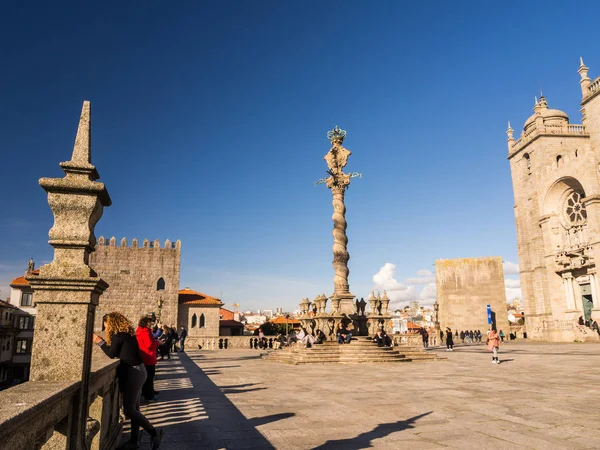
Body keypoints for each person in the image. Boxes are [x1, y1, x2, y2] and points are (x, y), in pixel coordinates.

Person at [93, 312, 162, 450]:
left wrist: (99, 341)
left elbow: (111, 353)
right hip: (139, 370)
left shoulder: (119, 335)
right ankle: (134, 440)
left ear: (112, 323)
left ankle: (154, 433)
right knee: (135, 408)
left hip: (133, 372)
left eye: (106, 325)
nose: (106, 328)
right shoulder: (126, 334)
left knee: (129, 410)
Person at [137, 316, 160, 402]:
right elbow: (149, 345)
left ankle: (150, 392)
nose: (151, 324)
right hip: (148, 357)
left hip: (145, 357)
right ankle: (149, 395)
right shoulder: (145, 332)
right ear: (146, 323)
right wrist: (158, 343)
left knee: (149, 377)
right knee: (149, 377)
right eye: (150, 322)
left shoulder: (141, 331)